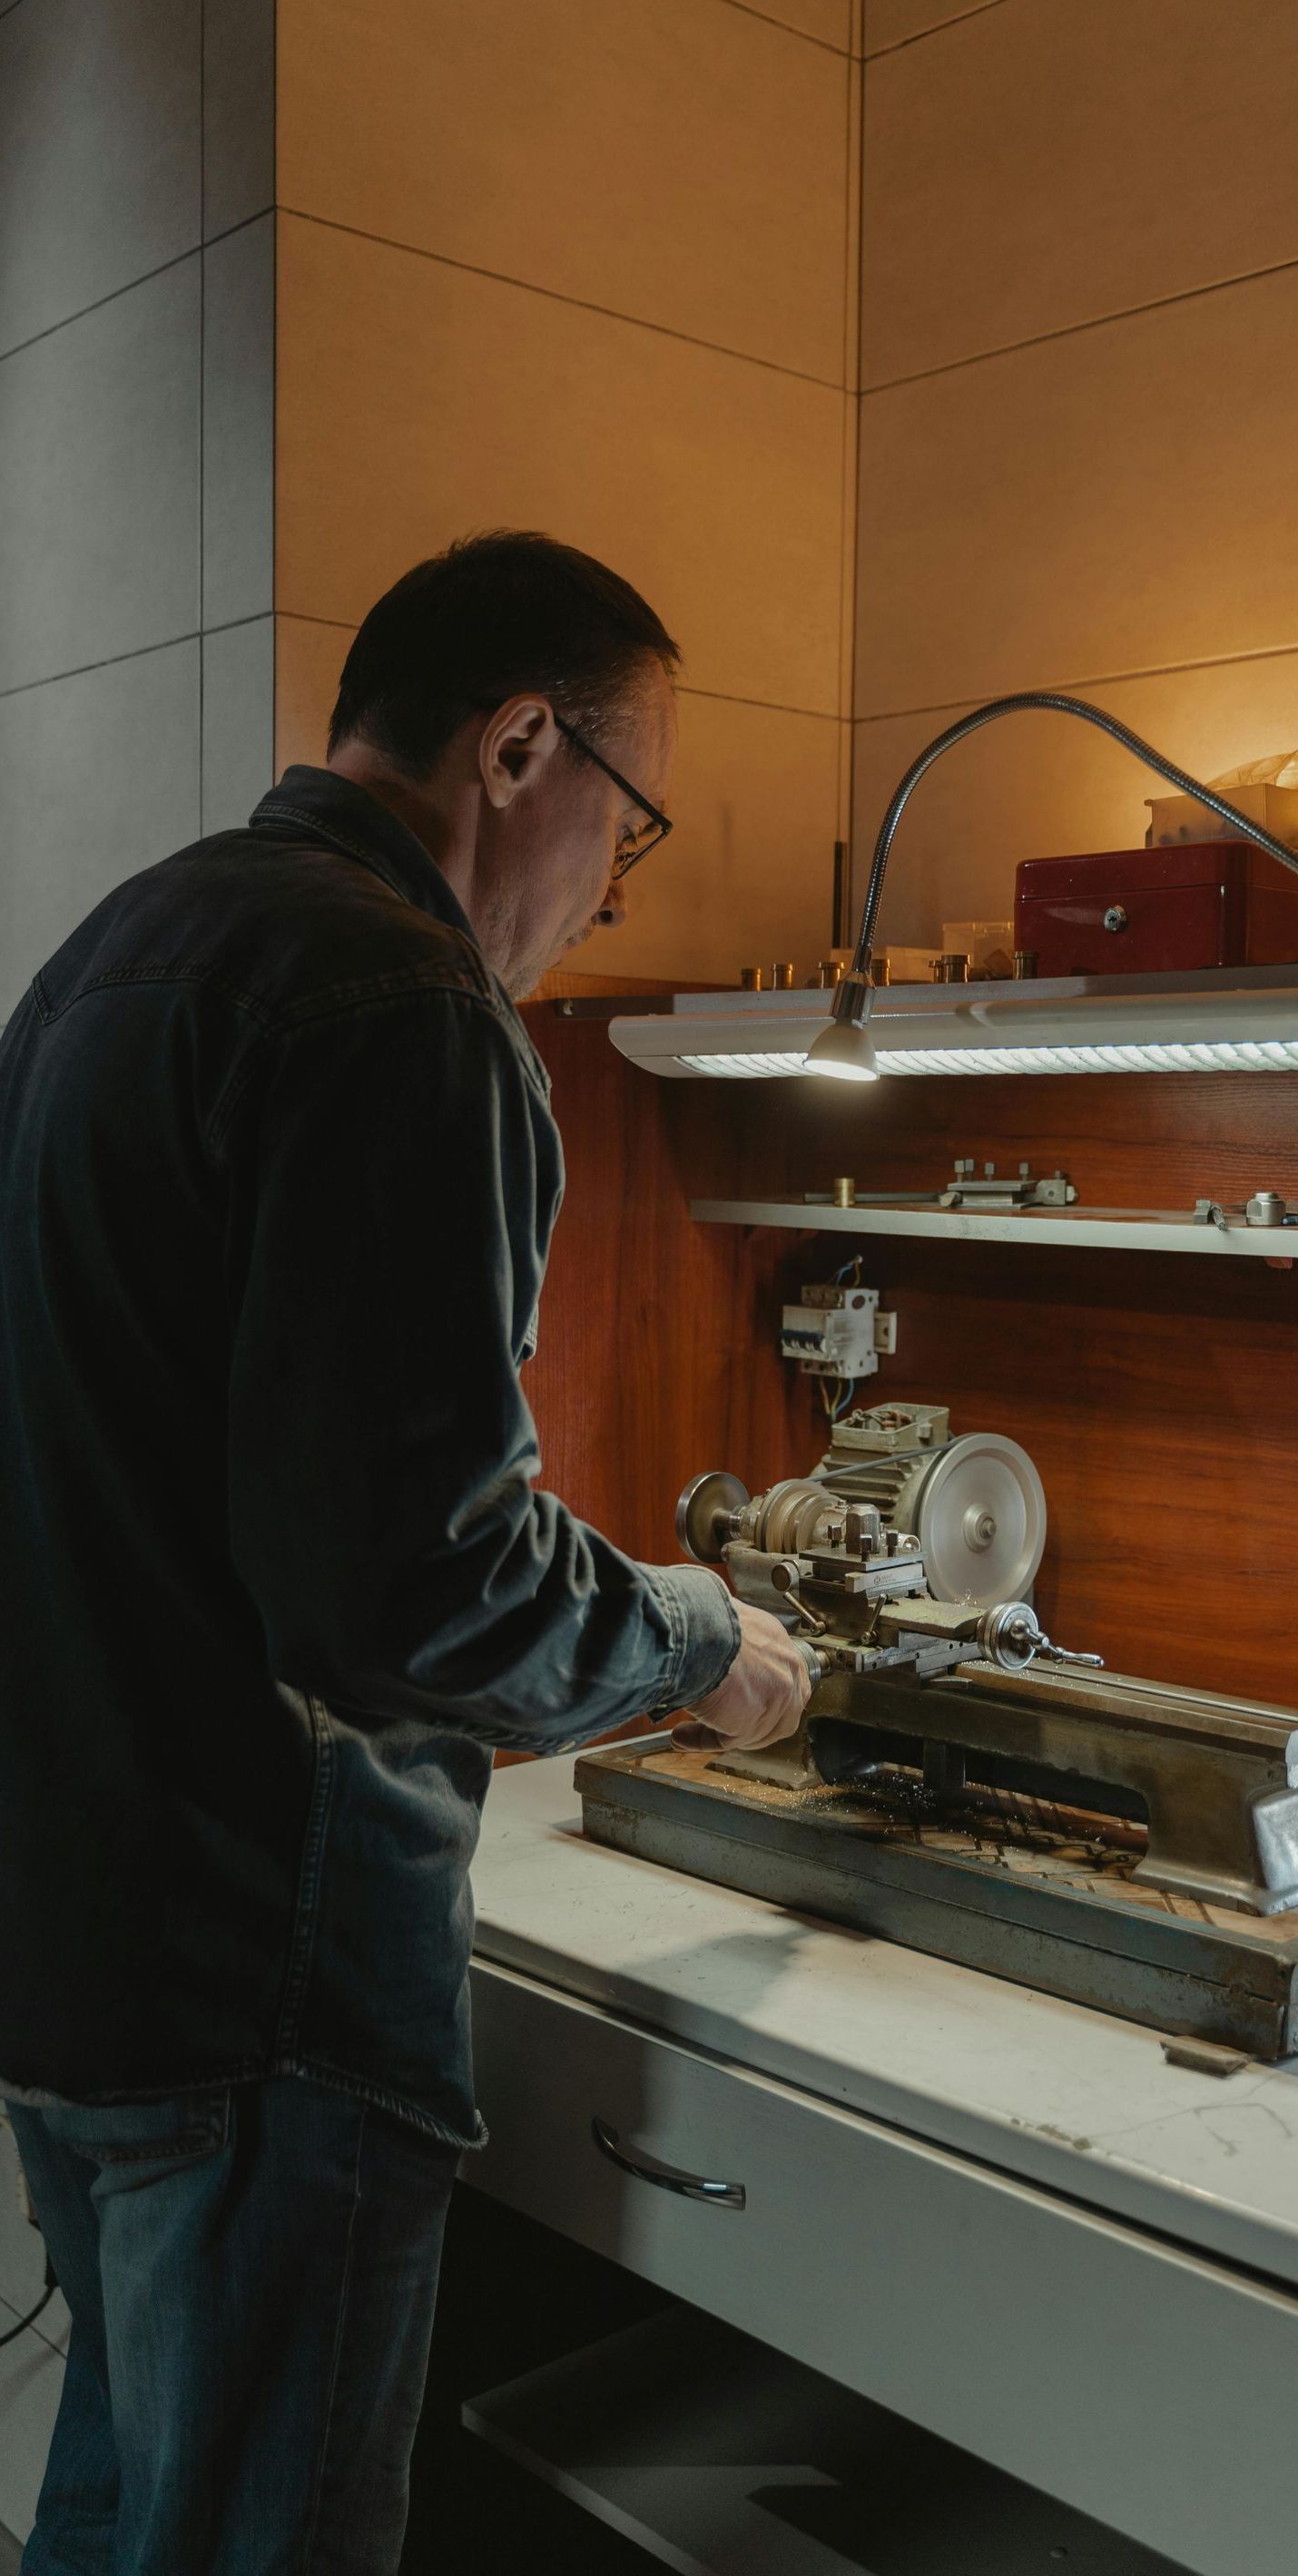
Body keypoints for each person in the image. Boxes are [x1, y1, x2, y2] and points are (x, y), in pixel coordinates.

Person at [0, 531, 811, 2575]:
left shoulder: (118, 951)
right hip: (258, 1980)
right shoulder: (401, 1004)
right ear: (520, 743)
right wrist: (698, 1640)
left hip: (76, 1931)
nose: (610, 891)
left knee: (122, 2509)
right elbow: (417, 1582)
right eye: (628, 829)